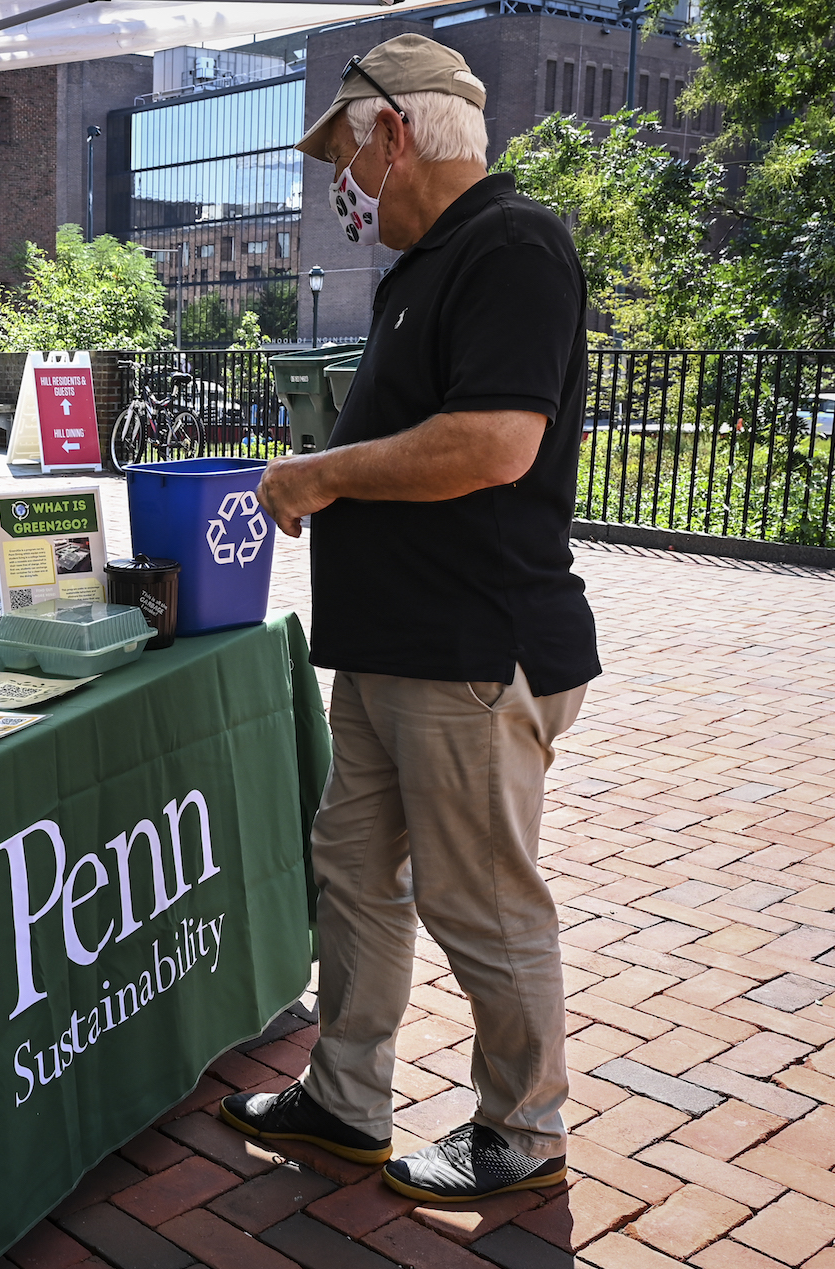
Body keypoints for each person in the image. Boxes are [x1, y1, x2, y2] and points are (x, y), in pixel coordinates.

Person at [218, 34, 600, 1205]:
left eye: (341, 150)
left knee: (478, 901)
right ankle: (344, 1099)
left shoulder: (511, 242)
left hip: (471, 651)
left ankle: (520, 1132)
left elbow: (492, 442)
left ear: (391, 132)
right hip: (392, 650)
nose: (337, 180)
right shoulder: (422, 266)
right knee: (353, 875)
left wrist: (323, 474)